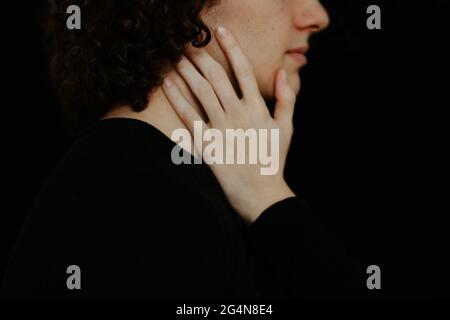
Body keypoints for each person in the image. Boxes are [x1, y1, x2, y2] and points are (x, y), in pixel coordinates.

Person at [3, 0, 370, 299]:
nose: (318, 16)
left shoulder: (145, 179)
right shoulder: (137, 197)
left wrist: (268, 200)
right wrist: (275, 210)